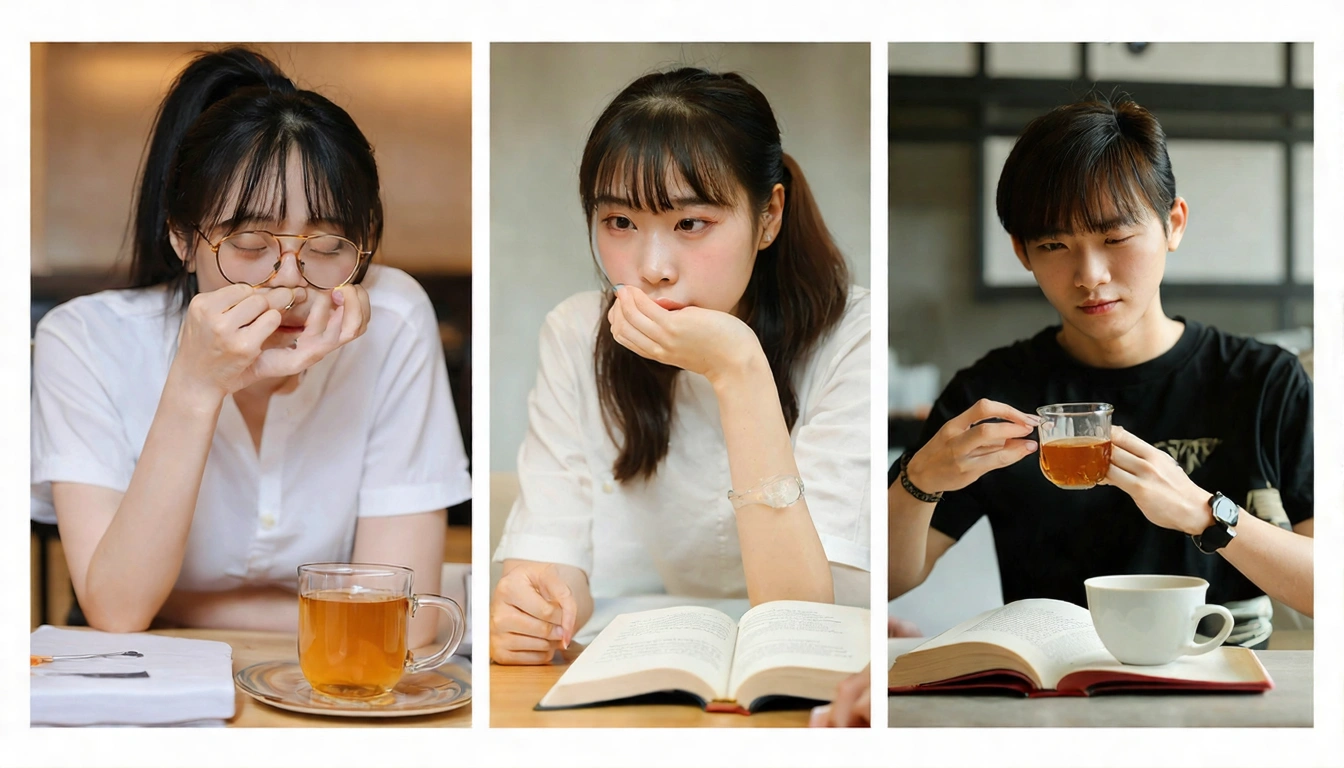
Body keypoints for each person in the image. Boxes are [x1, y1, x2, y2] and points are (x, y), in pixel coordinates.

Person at [819, 95, 1314, 726]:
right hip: (1049, 702)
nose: (1090, 274)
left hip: (1221, 696)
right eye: (1055, 244)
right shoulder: (993, 389)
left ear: (1174, 224)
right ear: (1022, 251)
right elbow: (886, 581)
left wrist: (1201, 511)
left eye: (1115, 236)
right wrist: (920, 480)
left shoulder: (1263, 381)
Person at [30, 48, 471, 646]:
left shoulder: (392, 317)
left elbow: (402, 620)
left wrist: (187, 609)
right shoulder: (84, 341)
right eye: (248, 242)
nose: (289, 282)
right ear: (183, 237)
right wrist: (195, 383)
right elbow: (119, 609)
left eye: (328, 244)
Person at [490, 68, 871, 665]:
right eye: (620, 223)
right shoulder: (575, 334)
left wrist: (738, 368)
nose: (653, 267)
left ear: (769, 216)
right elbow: (549, 557)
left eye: (691, 224)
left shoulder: (852, 335)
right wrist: (533, 607)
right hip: (629, 669)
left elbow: (798, 619)